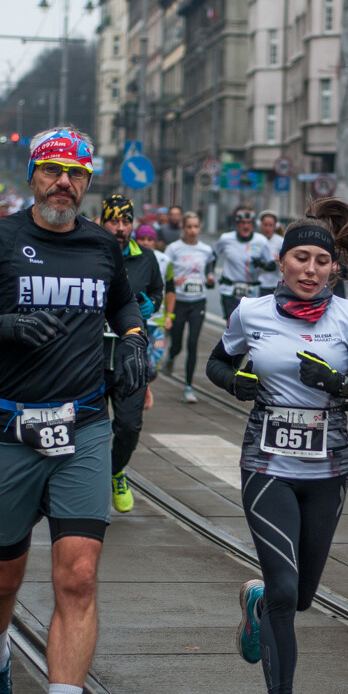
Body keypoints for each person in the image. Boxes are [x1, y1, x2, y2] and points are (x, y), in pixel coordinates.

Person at [0, 127, 147, 694]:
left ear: (88, 183)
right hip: (8, 429)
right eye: (52, 171)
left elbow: (125, 306)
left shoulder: (103, 247)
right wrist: (7, 325)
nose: (64, 183)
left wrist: (134, 340)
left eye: (76, 174)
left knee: (77, 576)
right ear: (33, 176)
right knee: (5, 573)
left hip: (83, 427)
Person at [206, 199, 348, 694]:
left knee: (300, 595)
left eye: (320, 260)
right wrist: (235, 383)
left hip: (328, 470)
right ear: (280, 262)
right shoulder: (252, 312)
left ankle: (258, 600)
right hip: (266, 465)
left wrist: (340, 383)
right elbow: (219, 364)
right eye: (299, 258)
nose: (310, 269)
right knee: (290, 594)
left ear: (333, 268)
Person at [99, 195, 164, 514]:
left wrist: (153, 305)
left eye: (126, 222)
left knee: (128, 426)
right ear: (102, 222)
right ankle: (90, 479)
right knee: (90, 426)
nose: (121, 228)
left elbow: (156, 291)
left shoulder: (146, 258)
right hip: (93, 355)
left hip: (132, 355)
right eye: (114, 221)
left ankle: (115, 472)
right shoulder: (89, 251)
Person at [164, 212, 214, 403]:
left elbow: (208, 270)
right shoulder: (173, 249)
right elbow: (164, 273)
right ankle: (171, 355)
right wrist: (172, 281)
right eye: (189, 227)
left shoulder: (205, 250)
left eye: (195, 227)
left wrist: (209, 279)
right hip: (179, 302)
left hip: (197, 302)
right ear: (183, 229)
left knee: (192, 343)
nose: (193, 231)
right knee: (177, 344)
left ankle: (188, 387)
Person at [135, 224, 176, 407]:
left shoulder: (164, 260)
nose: (145, 243)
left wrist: (170, 315)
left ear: (155, 242)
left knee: (154, 362)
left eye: (149, 239)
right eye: (142, 239)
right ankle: (142, 390)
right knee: (138, 359)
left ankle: (146, 385)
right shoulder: (132, 258)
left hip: (158, 319)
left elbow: (170, 289)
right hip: (138, 320)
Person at [210, 206, 276, 320]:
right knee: (232, 325)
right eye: (242, 223)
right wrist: (210, 274)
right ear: (237, 224)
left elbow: (272, 265)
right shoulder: (226, 239)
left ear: (253, 225)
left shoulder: (261, 241)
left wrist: (261, 264)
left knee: (248, 326)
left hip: (252, 292)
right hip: (229, 290)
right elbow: (212, 257)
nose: (246, 226)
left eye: (249, 223)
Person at [257, 210, 284, 297]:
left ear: (275, 226)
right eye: (265, 225)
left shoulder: (280, 241)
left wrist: (280, 260)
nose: (267, 228)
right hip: (256, 284)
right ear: (260, 225)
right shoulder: (255, 239)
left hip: (273, 285)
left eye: (270, 225)